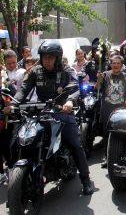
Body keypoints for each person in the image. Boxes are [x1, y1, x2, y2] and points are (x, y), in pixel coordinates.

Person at [11, 40, 94, 195]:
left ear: (57, 57)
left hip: (62, 111)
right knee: (20, 139)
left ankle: (86, 179)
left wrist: (70, 100)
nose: (47, 60)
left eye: (51, 57)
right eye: (44, 56)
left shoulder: (66, 70)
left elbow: (75, 87)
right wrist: (13, 103)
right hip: (40, 112)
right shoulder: (35, 71)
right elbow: (23, 90)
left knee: (75, 144)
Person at [95, 55, 126, 168]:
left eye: (118, 63)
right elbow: (97, 89)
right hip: (107, 109)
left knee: (121, 134)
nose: (116, 65)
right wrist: (98, 79)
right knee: (106, 133)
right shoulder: (105, 75)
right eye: (114, 63)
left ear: (121, 65)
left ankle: (121, 156)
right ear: (111, 64)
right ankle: (106, 156)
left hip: (121, 110)